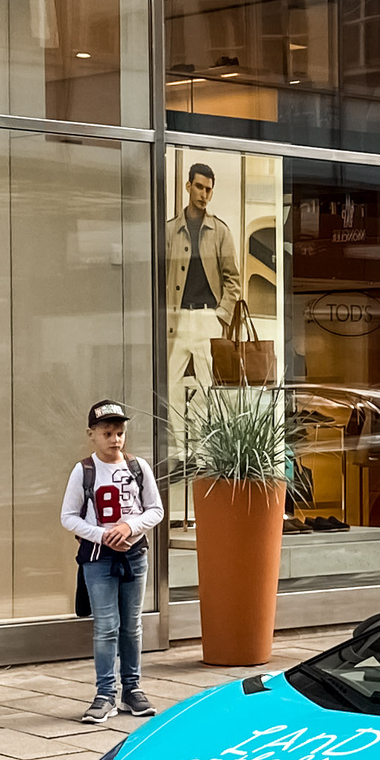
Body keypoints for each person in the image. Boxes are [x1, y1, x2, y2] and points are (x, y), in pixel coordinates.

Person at [62, 400, 163, 724]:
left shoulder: (137, 467)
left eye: (119, 433)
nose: (115, 439)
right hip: (98, 558)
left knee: (131, 625)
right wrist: (101, 535)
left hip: (134, 555)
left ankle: (132, 690)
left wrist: (129, 527)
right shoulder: (84, 471)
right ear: (92, 434)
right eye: (107, 433)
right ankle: (105, 693)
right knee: (106, 626)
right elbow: (68, 517)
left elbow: (155, 510)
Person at [165, 159, 244, 439]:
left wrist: (221, 314)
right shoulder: (170, 230)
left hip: (208, 318)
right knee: (170, 384)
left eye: (208, 189)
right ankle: (178, 445)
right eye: (199, 187)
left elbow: (233, 279)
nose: (203, 194)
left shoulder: (219, 231)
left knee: (208, 385)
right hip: (176, 319)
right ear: (188, 186)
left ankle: (200, 446)